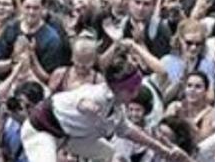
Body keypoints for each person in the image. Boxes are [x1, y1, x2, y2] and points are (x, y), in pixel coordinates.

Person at [20, 56, 191, 161]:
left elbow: (130, 132)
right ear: (119, 89)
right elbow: (80, 102)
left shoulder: (118, 109)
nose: (136, 94)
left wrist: (160, 148)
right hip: (41, 130)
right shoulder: (96, 94)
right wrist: (89, 107)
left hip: (70, 137)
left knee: (111, 155)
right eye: (132, 90)